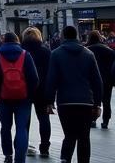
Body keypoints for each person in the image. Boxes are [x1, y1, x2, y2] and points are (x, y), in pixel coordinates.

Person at [43, 25, 102, 163]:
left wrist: (49, 101)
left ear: (63, 36)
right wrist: (98, 103)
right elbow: (97, 81)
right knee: (84, 137)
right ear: (77, 36)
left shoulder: (56, 54)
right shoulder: (89, 54)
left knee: (69, 135)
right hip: (85, 102)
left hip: (65, 101)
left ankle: (65, 159)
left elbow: (51, 80)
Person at [0, 29, 40, 163]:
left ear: (3, 42)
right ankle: (20, 158)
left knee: (5, 127)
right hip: (23, 98)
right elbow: (34, 79)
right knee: (22, 128)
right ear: (17, 41)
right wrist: (29, 95)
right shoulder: (25, 55)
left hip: (4, 98)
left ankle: (8, 154)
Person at [21, 27, 53, 158]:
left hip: (24, 90)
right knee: (44, 119)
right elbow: (51, 74)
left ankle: (24, 145)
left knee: (24, 120)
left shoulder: (21, 52)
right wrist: (51, 95)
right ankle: (44, 147)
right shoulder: (46, 52)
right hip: (43, 90)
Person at [86, 31, 115, 129]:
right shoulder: (109, 51)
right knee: (107, 101)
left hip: (91, 80)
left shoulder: (86, 50)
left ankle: (92, 119)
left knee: (92, 100)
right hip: (106, 80)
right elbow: (113, 67)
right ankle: (105, 121)